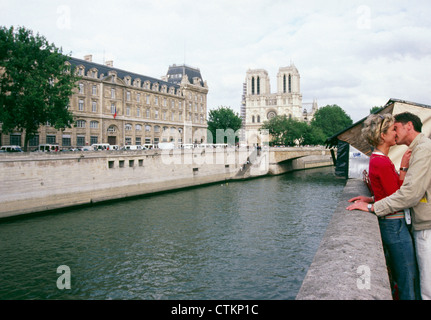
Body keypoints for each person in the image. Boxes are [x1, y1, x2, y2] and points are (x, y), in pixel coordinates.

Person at [348, 111, 431, 300]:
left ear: (408, 126)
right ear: (382, 135)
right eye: (392, 129)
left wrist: (373, 201)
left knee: (413, 279)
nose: (395, 133)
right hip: (396, 224)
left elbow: (400, 193)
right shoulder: (382, 161)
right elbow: (399, 194)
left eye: (397, 128)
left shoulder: (383, 159)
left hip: (405, 222)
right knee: (410, 278)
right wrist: (373, 204)